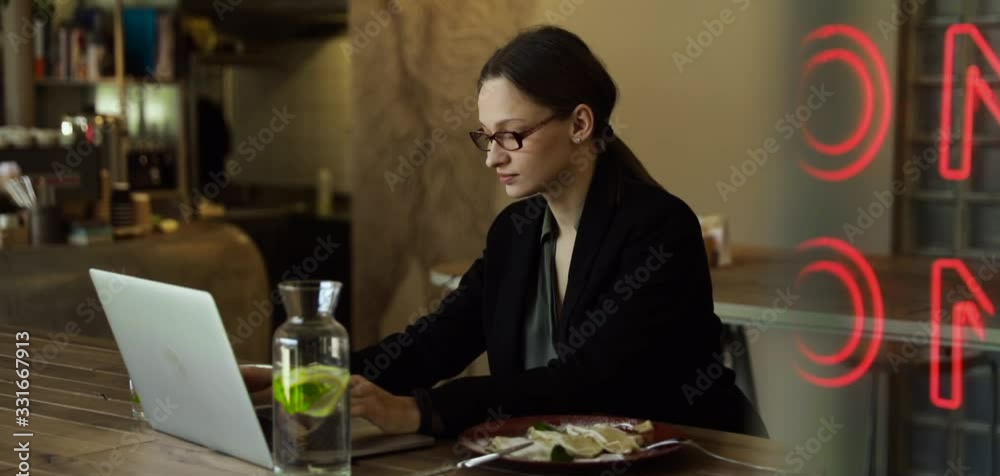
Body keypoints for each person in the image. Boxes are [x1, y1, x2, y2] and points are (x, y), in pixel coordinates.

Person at [244, 25, 766, 440]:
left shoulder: (657, 229)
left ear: (580, 125)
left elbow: (592, 383)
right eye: (486, 137)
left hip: (699, 473)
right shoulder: (516, 232)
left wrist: (422, 412)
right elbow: (436, 342)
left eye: (511, 136)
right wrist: (309, 373)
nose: (493, 157)